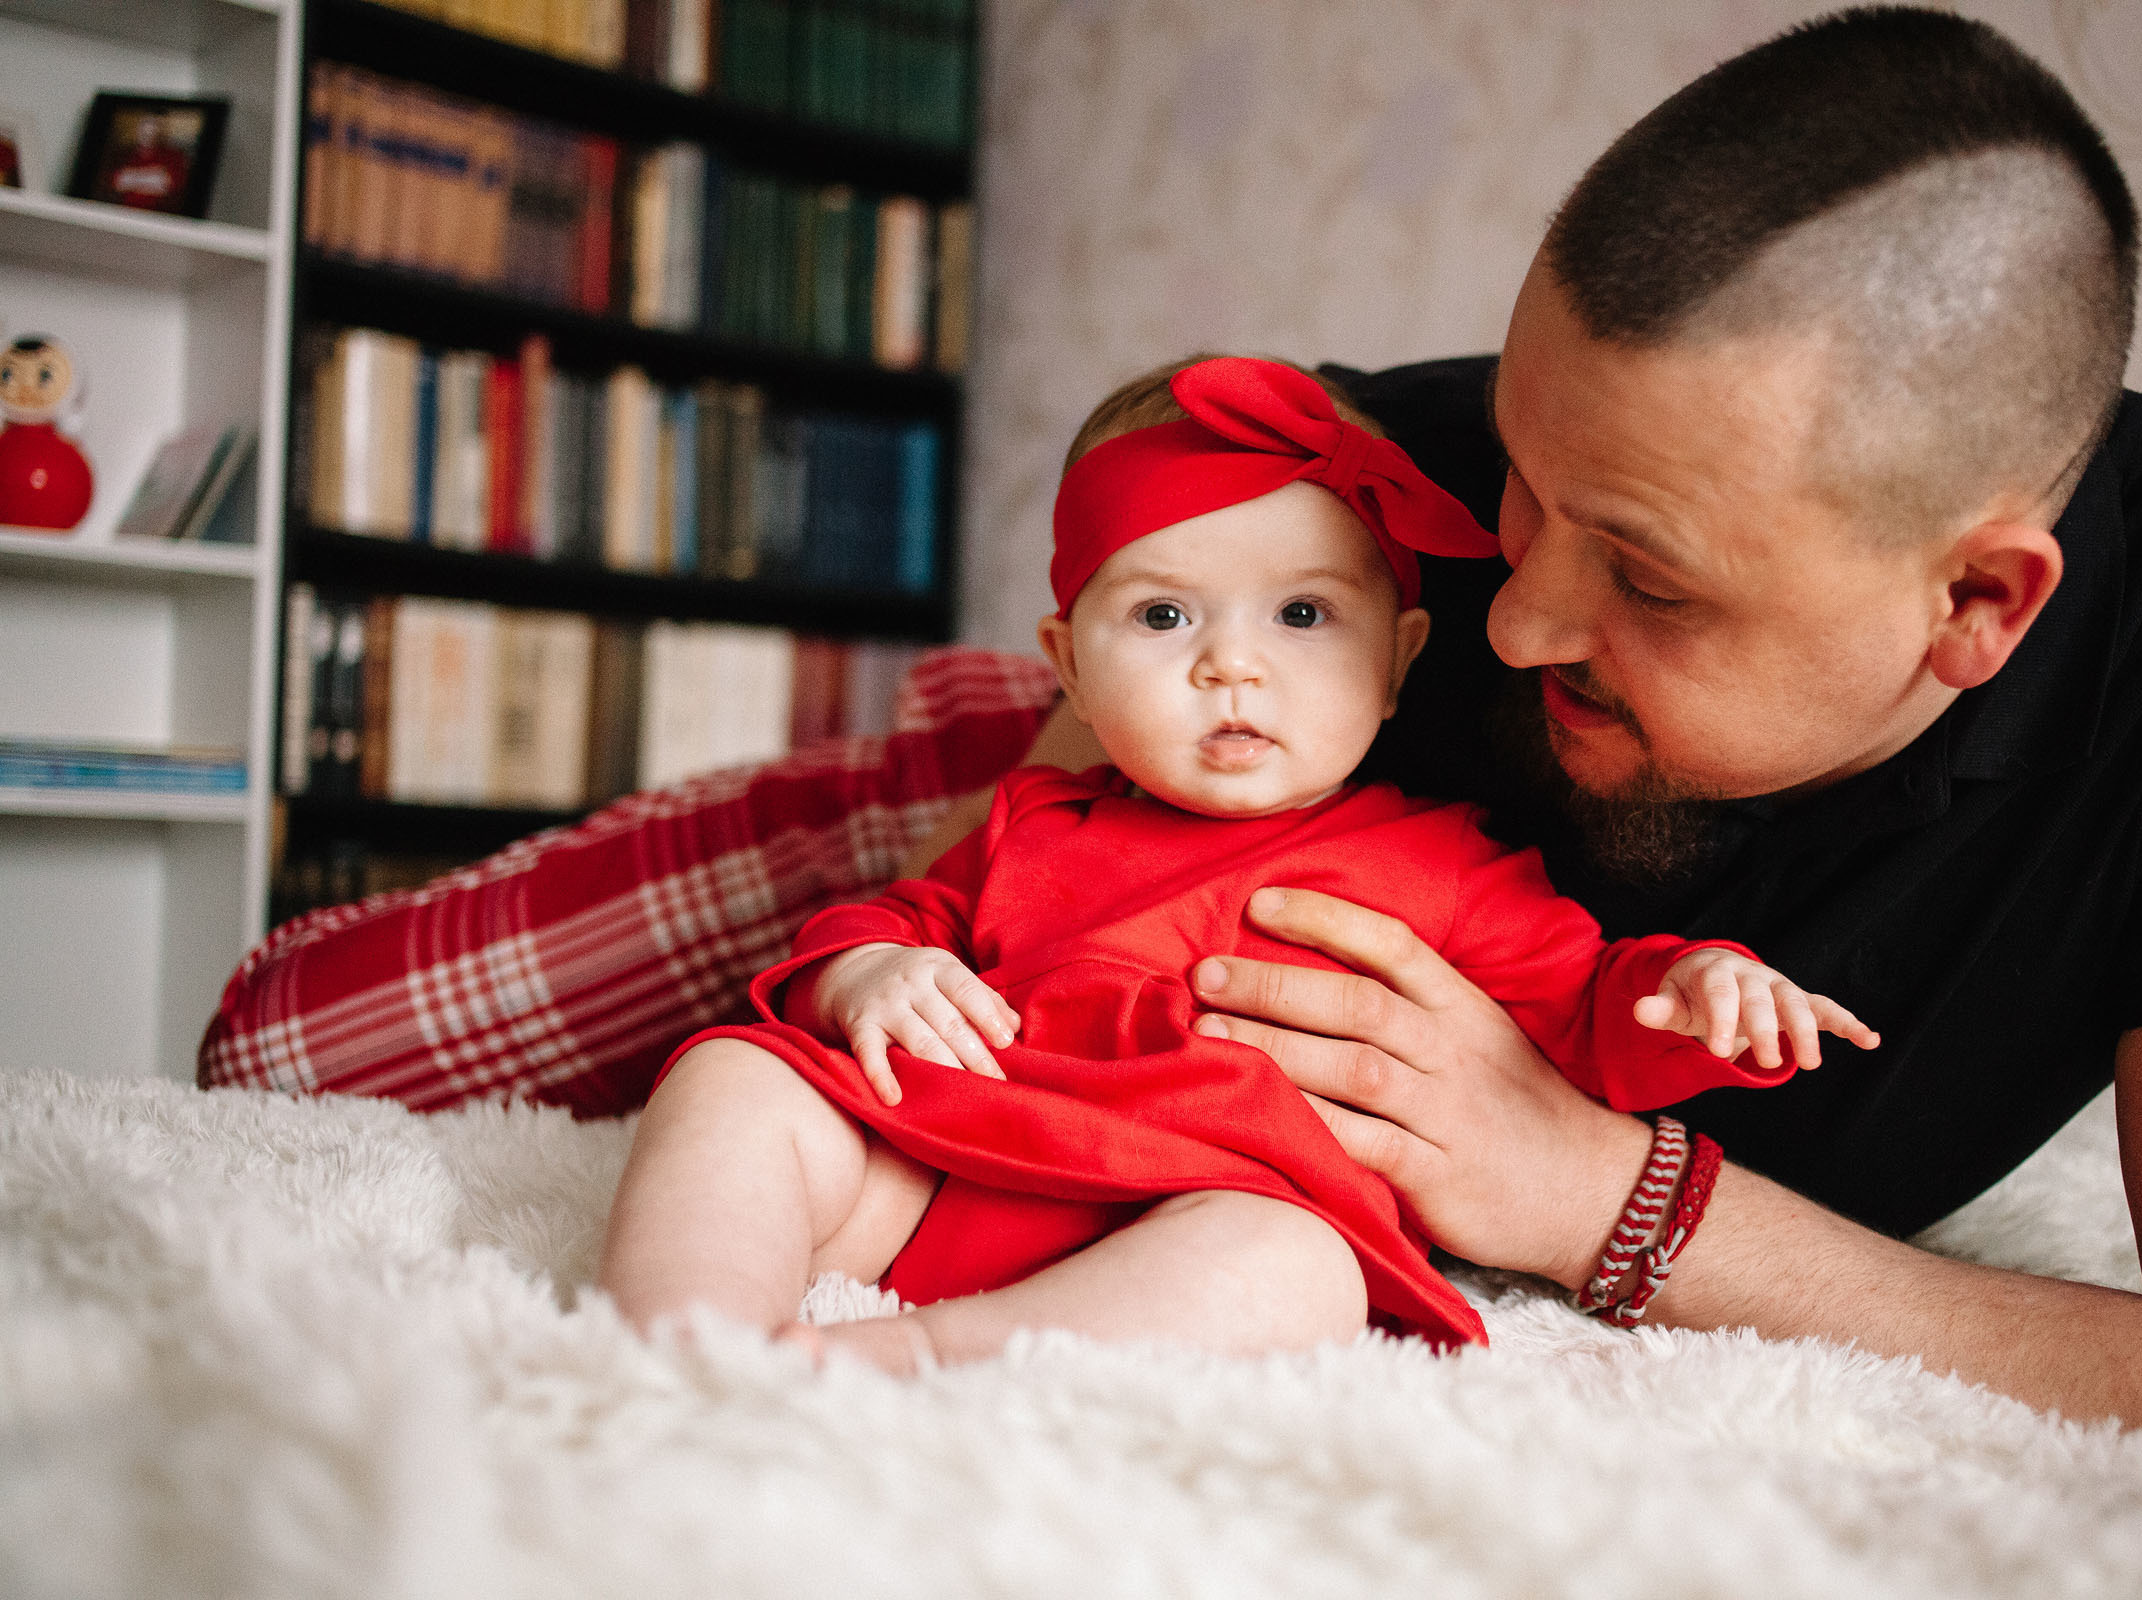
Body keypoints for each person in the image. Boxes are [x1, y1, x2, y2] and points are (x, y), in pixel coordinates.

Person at [907, 9, 2142, 1441]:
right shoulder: (1346, 511)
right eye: (1522, 484)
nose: (1509, 619)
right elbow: (976, 926)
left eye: (1647, 579)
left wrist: (1605, 1198)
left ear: (1979, 604)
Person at [595, 357, 1875, 1371]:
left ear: (1399, 659)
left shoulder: (1450, 867)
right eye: (1163, 616)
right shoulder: (1039, 821)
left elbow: (1590, 1013)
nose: (1232, 664)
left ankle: (922, 1357)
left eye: (1303, 614)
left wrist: (1700, 992)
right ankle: (686, 1343)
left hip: (1196, 1216)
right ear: (1071, 670)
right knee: (732, 1078)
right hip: (950, 1168)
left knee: (1298, 1271)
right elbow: (895, 919)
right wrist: (868, 972)